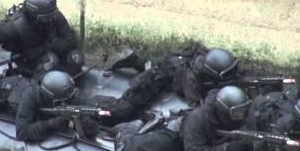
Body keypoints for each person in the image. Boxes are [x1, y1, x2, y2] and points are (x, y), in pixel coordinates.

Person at [93, 46, 242, 125]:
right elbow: (197, 110)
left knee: (161, 69)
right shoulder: (191, 79)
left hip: (171, 69)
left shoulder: (210, 62)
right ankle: (92, 104)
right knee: (123, 110)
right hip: (157, 79)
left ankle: (136, 60)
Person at [113, 86, 252, 151]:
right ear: (223, 111)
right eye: (237, 113)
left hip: (205, 141)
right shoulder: (198, 119)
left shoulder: (238, 118)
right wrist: (225, 149)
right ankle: (128, 130)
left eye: (243, 111)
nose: (241, 116)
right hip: (176, 138)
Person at [16, 70, 99, 142]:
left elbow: (85, 105)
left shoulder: (69, 93)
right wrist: (51, 124)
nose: (67, 102)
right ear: (52, 100)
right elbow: (21, 132)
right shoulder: (30, 96)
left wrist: (87, 122)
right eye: (63, 101)